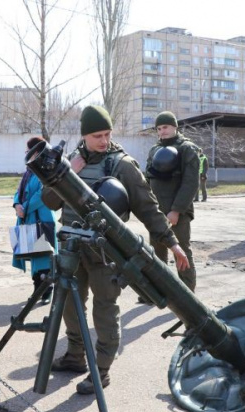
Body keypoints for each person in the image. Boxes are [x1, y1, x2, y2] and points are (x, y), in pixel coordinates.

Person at [47, 105, 189, 394]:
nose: (103, 140)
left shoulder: (121, 164)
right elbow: (50, 201)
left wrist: (172, 243)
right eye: (97, 135)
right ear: (84, 135)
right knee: (71, 306)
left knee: (105, 310)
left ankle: (101, 370)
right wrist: (67, 173)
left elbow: (147, 207)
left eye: (107, 134)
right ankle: (75, 357)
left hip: (104, 252)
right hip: (72, 246)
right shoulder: (72, 161)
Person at [144, 111, 199, 292]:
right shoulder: (155, 150)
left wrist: (176, 210)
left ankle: (187, 293)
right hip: (157, 212)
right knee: (156, 253)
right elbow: (148, 179)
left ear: (175, 126)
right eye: (159, 128)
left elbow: (190, 183)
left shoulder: (187, 149)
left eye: (165, 127)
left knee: (181, 251)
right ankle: (159, 290)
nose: (162, 131)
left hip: (178, 213)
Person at [12, 136, 58, 304]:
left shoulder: (46, 170)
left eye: (28, 151)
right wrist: (17, 204)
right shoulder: (29, 170)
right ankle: (38, 289)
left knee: (43, 257)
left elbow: (42, 194)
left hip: (41, 219)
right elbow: (19, 190)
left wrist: (25, 207)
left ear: (36, 152)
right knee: (34, 256)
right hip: (28, 219)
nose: (27, 154)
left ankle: (45, 290)